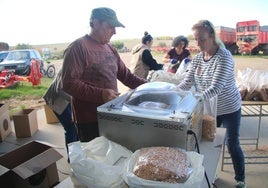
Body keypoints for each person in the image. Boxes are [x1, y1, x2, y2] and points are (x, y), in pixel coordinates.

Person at [177, 20, 246, 188]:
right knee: (207, 142)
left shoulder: (224, 57)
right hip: (208, 108)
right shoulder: (199, 58)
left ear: (212, 37)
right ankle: (209, 174)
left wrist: (193, 100)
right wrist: (173, 93)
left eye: (201, 39)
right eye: (195, 40)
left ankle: (240, 179)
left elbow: (216, 87)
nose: (198, 44)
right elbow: (187, 82)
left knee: (232, 144)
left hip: (228, 108)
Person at [61, 7, 147, 142]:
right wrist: (100, 94)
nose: (115, 32)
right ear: (96, 24)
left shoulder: (110, 49)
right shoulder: (78, 47)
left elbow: (127, 77)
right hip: (89, 120)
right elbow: (68, 84)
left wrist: (151, 86)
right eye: (110, 26)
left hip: (111, 115)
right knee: (94, 158)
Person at [43, 68, 78, 162]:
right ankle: (72, 158)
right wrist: (74, 100)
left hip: (65, 100)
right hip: (57, 100)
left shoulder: (76, 67)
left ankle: (76, 154)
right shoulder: (68, 69)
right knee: (70, 128)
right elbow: (59, 89)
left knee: (75, 127)